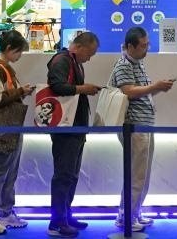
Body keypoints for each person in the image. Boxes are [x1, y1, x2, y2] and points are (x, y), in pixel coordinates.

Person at [110, 27, 174, 232]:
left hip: (143, 125)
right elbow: (128, 91)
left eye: (147, 44)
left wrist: (157, 88)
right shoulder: (123, 65)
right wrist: (156, 87)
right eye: (143, 45)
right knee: (136, 174)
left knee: (141, 173)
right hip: (133, 126)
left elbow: (141, 92)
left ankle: (134, 211)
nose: (147, 48)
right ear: (130, 46)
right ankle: (126, 215)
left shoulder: (137, 63)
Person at [0, 30, 34, 236]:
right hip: (3, 128)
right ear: (9, 49)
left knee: (9, 172)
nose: (20, 56)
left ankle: (5, 212)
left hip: (11, 127)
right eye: (19, 51)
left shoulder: (6, 69)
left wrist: (20, 92)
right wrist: (20, 92)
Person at [47, 31, 101, 238]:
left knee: (71, 175)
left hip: (75, 128)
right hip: (65, 130)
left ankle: (65, 215)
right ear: (79, 47)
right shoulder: (62, 60)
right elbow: (56, 86)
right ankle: (57, 222)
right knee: (63, 175)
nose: (90, 58)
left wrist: (83, 89)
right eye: (89, 53)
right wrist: (82, 89)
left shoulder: (73, 62)